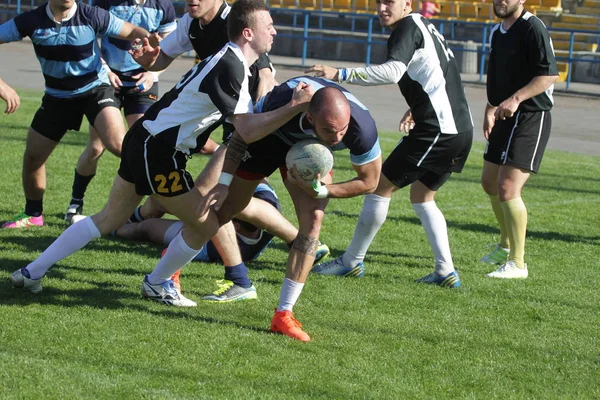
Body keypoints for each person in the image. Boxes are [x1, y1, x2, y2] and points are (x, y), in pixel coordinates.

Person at [10, 0, 312, 309]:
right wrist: (294, 107)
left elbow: (241, 128)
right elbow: (247, 131)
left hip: (147, 141)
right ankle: (157, 283)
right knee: (206, 224)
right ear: (248, 33)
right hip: (158, 151)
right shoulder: (230, 66)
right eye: (269, 26)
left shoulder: (232, 62)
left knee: (108, 218)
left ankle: (31, 272)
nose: (274, 31)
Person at [197, 76, 382, 342]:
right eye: (330, 131)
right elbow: (241, 137)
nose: (338, 138)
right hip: (269, 137)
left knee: (313, 222)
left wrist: (322, 190)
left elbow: (370, 181)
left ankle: (283, 315)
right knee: (225, 210)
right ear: (309, 119)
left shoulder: (361, 128)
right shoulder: (282, 100)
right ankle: (171, 271)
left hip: (307, 150)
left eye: (342, 130)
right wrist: (224, 182)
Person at [307, 0, 473, 289]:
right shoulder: (424, 25)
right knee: (422, 196)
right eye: (379, 2)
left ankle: (351, 262)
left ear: (407, 4)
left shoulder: (407, 27)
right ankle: (445, 271)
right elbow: (436, 74)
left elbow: (392, 71)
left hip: (438, 130)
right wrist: (418, 109)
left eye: (390, 2)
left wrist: (340, 74)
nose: (382, 7)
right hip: (459, 130)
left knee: (378, 186)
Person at [0, 0, 149, 229]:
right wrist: (3, 87)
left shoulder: (91, 15)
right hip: (57, 97)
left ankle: (156, 203)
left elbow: (131, 30)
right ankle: (33, 215)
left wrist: (143, 39)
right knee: (33, 157)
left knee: (121, 146)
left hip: (95, 90)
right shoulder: (31, 21)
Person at [114, 180, 330, 300]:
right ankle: (121, 219)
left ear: (233, 226)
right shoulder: (267, 210)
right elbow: (257, 180)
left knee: (148, 225)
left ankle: (114, 225)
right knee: (177, 199)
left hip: (210, 239)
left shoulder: (221, 242)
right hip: (233, 227)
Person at [64, 0, 177, 224]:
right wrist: (104, 68)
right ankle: (75, 204)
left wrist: (153, 74)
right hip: (107, 79)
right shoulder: (106, 2)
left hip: (143, 81)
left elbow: (170, 46)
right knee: (97, 147)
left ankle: (133, 213)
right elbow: (89, 39)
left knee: (144, 148)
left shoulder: (163, 5)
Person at [479, 0, 558, 279]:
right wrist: (490, 107)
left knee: (508, 187)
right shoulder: (497, 32)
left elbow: (548, 75)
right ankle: (504, 245)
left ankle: (518, 264)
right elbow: (498, 77)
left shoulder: (533, 28)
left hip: (530, 116)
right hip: (503, 114)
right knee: (489, 181)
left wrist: (516, 99)